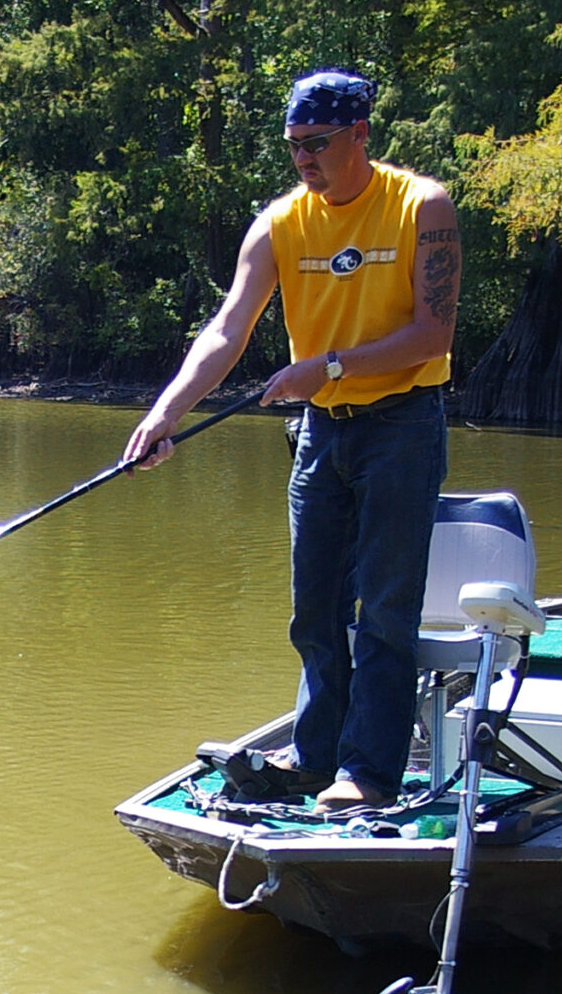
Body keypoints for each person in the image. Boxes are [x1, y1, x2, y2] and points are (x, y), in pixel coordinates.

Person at [124, 69, 460, 809]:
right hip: (321, 433)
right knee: (314, 611)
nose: (304, 159)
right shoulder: (281, 222)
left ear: (360, 136)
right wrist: (167, 413)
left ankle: (368, 774)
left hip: (402, 425)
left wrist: (327, 366)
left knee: (383, 608)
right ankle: (314, 760)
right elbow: (227, 328)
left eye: (317, 143)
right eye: (293, 146)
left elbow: (432, 332)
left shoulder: (420, 206)